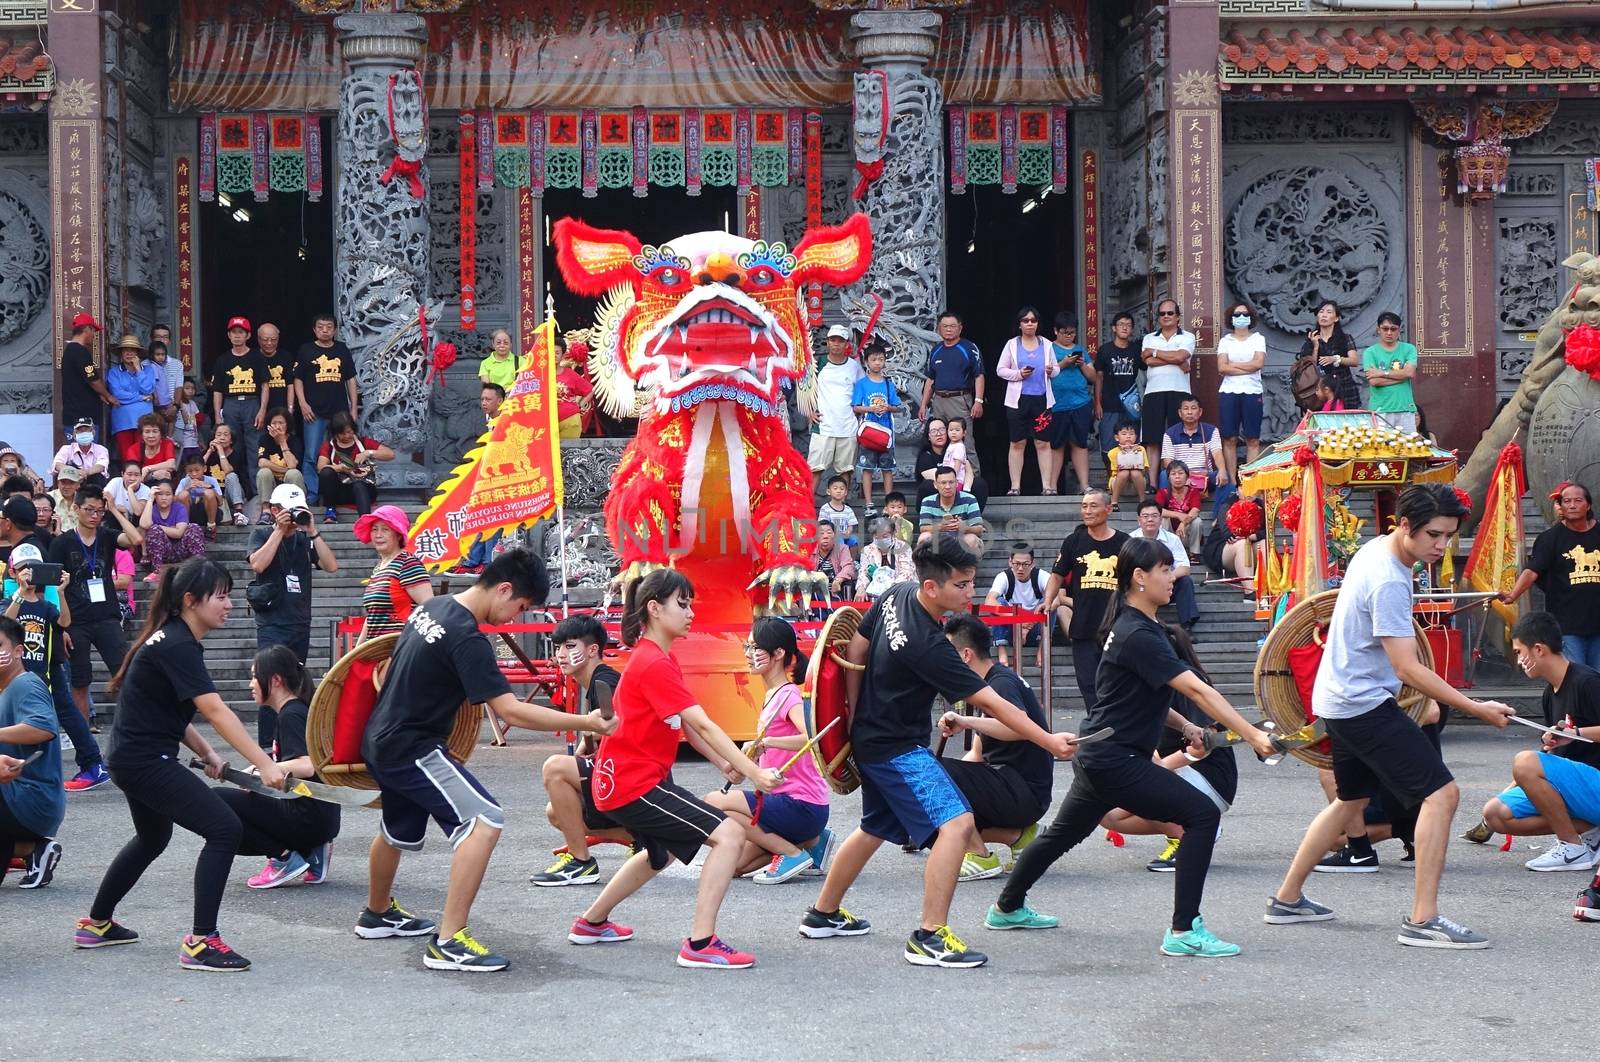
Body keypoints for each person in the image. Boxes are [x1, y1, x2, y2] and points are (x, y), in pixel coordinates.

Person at [800, 536, 1077, 968]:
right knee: (958, 823)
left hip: (874, 738)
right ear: (933, 587)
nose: (971, 592)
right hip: (897, 748)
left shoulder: (897, 593)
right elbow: (992, 702)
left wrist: (853, 714)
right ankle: (929, 936)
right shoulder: (929, 645)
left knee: (874, 826)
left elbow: (857, 643)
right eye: (963, 585)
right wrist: (1048, 739)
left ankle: (823, 914)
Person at [990, 537, 1275, 953]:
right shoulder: (1136, 632)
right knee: (1200, 815)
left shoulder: (1136, 626)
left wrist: (1186, 728)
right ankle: (1184, 931)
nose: (1172, 577)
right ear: (1140, 577)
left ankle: (1007, 907)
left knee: (1060, 836)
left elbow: (1143, 698)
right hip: (1114, 758)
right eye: (1164, 570)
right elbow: (1195, 689)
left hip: (1102, 754)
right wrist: (1253, 735)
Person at [1267, 485, 1515, 948]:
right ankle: (1423, 920)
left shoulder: (1378, 549)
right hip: (1360, 704)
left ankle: (1286, 898)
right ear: (1404, 526)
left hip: (1339, 698)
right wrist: (1476, 707)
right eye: (1433, 535)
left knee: (1350, 801)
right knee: (1442, 794)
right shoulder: (1389, 578)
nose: (1440, 547)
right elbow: (1406, 667)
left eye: (1448, 536)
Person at [359, 549, 615, 972]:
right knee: (484, 820)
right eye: (521, 606)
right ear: (505, 589)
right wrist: (586, 720)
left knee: (396, 829)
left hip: (381, 737)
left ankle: (377, 913)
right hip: (412, 747)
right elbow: (511, 710)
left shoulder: (433, 608)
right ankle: (449, 941)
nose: (515, 614)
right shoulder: (466, 635)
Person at [76, 559, 284, 971]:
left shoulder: (172, 639)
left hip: (134, 757)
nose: (228, 604)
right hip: (144, 760)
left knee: (152, 838)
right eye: (220, 596)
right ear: (191, 600)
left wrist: (207, 753)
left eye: (229, 595)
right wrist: (264, 764)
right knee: (224, 828)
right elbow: (215, 709)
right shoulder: (177, 643)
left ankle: (95, 924)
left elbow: (175, 708)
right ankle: (202, 941)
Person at [569, 569, 778, 969]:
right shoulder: (654, 663)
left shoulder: (657, 658)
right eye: (681, 604)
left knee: (658, 854)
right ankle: (701, 944)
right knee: (730, 834)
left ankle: (590, 923)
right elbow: (702, 723)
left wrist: (722, 762)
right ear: (654, 608)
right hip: (634, 784)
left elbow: (680, 723)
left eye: (690, 604)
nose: (690, 612)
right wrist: (754, 772)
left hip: (622, 782)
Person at [702, 617, 834, 884]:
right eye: (747, 648)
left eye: (755, 648)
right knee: (735, 867)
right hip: (791, 807)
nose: (749, 655)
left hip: (800, 804)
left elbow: (812, 737)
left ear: (778, 653)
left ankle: (791, 851)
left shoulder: (788, 696)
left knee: (712, 803)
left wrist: (767, 742)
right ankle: (813, 841)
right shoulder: (772, 694)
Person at [1100, 624, 1240, 872]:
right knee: (1108, 813)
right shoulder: (1152, 682)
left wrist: (1158, 768)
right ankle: (1195, 827)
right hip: (1181, 775)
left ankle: (1187, 837)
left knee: (1136, 775)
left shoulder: (1186, 681)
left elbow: (1204, 745)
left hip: (1211, 779)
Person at [1479, 612, 1600, 871]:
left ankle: (1573, 848)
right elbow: (1548, 757)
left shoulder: (1587, 682)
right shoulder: (1549, 693)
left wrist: (1575, 733)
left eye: (1520, 651)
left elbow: (1537, 761)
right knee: (1495, 813)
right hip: (1576, 787)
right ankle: (1592, 830)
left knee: (1525, 761)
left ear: (1538, 649)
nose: (1519, 660)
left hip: (1594, 783)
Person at [937, 615, 1052, 881]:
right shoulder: (989, 682)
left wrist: (965, 721)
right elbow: (976, 755)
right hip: (1015, 786)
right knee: (938, 787)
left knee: (932, 771)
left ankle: (980, 856)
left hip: (1023, 790)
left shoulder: (1000, 683)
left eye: (947, 654)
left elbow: (1018, 726)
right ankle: (1022, 836)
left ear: (965, 655)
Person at [532, 614, 631, 886]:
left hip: (635, 778)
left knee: (555, 767)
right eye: (558, 647)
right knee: (557, 811)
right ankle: (639, 839)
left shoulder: (605, 680)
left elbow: (619, 728)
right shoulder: (594, 682)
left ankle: (581, 862)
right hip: (623, 775)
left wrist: (592, 740)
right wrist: (589, 742)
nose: (561, 654)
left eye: (570, 646)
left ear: (593, 649)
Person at [231, 646, 340, 890]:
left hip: (308, 818)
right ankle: (311, 852)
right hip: (321, 818)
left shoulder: (291, 715)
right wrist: (257, 768)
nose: (251, 684)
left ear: (275, 680)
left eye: (254, 676)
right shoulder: (296, 710)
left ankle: (283, 858)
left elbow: (307, 764)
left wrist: (262, 769)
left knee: (218, 802)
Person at [5, 545, 106, 794]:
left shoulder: (45, 604)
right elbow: (5, 624)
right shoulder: (10, 601)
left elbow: (64, 622)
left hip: (47, 671)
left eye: (34, 568)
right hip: (18, 674)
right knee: (26, 721)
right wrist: (20, 593)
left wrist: (61, 592)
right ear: (12, 572)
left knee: (63, 715)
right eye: (22, 568)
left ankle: (93, 764)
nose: (28, 573)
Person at [247, 483, 335, 746]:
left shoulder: (303, 539)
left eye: (300, 511)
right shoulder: (262, 533)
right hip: (273, 622)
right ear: (274, 510)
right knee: (269, 682)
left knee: (295, 684)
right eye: (290, 511)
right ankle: (266, 744)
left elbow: (331, 566)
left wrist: (313, 531)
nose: (295, 517)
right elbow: (258, 563)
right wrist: (278, 530)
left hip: (299, 622)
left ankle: (292, 741)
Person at [48, 486, 142, 732]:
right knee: (79, 679)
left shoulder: (108, 536)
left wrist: (114, 511)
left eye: (99, 511)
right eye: (89, 510)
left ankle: (133, 724)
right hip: (76, 621)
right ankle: (84, 728)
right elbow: (52, 586)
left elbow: (136, 539)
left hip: (107, 617)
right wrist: (61, 626)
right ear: (76, 509)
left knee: (125, 672)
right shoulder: (62, 543)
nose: (94, 515)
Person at [1044, 488, 1129, 711]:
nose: (1087, 511)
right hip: (1083, 627)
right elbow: (1056, 575)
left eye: (1093, 506)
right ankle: (1099, 727)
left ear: (1108, 509)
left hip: (1116, 626)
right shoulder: (1073, 541)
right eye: (1084, 506)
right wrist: (1047, 600)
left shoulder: (1124, 542)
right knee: (1088, 685)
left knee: (1116, 682)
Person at [1500, 482, 1600, 670]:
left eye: (1578, 500)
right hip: (1568, 625)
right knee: (1575, 677)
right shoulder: (1550, 539)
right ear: (1560, 507)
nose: (1572, 505)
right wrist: (1513, 594)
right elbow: (1532, 571)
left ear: (1588, 505)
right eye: (1567, 501)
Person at [0, 615, 64, 889]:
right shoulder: (6, 688)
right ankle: (30, 850)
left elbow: (43, 728)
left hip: (30, 799)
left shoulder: (25, 684)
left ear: (17, 651)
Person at [294, 313, 358, 504]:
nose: (325, 330)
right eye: (320, 327)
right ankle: (313, 494)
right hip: (313, 413)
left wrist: (353, 408)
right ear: (314, 330)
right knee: (312, 455)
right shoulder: (306, 350)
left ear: (335, 330)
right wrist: (303, 404)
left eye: (329, 327)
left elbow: (350, 380)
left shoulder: (341, 350)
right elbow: (297, 379)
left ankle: (337, 494)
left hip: (339, 413)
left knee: (340, 454)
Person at [996, 306, 1059, 496]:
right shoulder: (1012, 344)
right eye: (1026, 320)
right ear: (1020, 324)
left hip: (1042, 400)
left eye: (1033, 320)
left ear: (1038, 323)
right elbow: (1000, 369)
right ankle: (1015, 486)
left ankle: (1047, 486)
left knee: (1043, 443)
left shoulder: (1046, 344)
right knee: (1017, 443)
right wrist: (1018, 374)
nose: (1030, 323)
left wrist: (1051, 371)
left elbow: (1056, 369)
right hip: (1018, 400)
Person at [356, 505, 431, 642]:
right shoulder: (379, 568)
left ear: (398, 534)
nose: (378, 535)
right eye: (374, 529)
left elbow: (430, 610)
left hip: (402, 651)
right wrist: (356, 653)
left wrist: (400, 651)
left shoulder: (408, 564)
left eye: (385, 529)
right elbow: (372, 616)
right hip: (377, 650)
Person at [1140, 299, 1194, 472]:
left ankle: (1178, 477)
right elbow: (1149, 361)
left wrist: (1155, 352)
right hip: (1153, 391)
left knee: (1178, 436)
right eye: (1162, 314)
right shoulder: (1149, 337)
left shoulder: (1188, 337)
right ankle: (1154, 484)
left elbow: (1180, 356)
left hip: (1179, 391)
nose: (1166, 316)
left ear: (1178, 317)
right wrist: (1176, 360)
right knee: (1153, 438)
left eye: (1170, 313)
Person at [1160, 395, 1232, 526]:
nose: (1189, 412)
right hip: (1181, 475)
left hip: (1205, 476)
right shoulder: (1170, 433)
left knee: (1226, 478)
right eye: (1186, 409)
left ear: (1200, 412)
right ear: (1180, 413)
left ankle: (1217, 518)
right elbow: (1168, 462)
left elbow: (1217, 453)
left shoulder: (1211, 430)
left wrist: (1221, 470)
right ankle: (1167, 514)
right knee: (1164, 475)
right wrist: (1184, 475)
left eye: (1193, 408)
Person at [808, 325, 863, 495]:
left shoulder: (854, 366)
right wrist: (809, 411)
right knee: (815, 469)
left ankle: (842, 509)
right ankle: (807, 509)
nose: (836, 344)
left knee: (845, 471)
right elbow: (806, 389)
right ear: (827, 342)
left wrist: (859, 412)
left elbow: (862, 391)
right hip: (823, 425)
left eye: (840, 341)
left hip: (848, 426)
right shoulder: (818, 364)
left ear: (846, 344)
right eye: (833, 340)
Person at [1216, 302, 1266, 482]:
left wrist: (1233, 366)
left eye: (1244, 314)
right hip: (1229, 391)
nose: (1241, 317)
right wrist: (1247, 367)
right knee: (1230, 438)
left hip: (1252, 391)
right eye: (1237, 314)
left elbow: (1258, 364)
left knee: (1253, 438)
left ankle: (1250, 479)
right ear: (1231, 318)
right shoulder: (1225, 341)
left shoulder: (1258, 338)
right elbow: (1221, 367)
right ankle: (1230, 480)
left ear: (1251, 317)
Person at [1047, 313, 1096, 495]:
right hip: (1056, 404)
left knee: (1079, 443)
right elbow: (1045, 373)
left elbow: (1092, 377)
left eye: (1072, 333)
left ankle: (1084, 485)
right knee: (1056, 444)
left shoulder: (1081, 350)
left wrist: (1082, 364)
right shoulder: (1048, 349)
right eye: (1065, 332)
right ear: (1056, 331)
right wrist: (1064, 363)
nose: (1069, 336)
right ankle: (1051, 486)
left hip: (1080, 402)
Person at [208, 317, 265, 469]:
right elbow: (217, 390)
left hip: (252, 402)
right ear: (229, 335)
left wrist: (262, 410)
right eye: (234, 332)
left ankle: (256, 490)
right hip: (230, 404)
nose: (237, 335)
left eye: (241, 332)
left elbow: (265, 385)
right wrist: (217, 415)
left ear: (248, 335)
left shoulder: (257, 357)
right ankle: (235, 486)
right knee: (231, 446)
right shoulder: (222, 360)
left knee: (254, 446)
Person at [315, 412, 393, 521]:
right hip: (340, 491)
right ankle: (331, 511)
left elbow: (390, 454)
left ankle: (365, 521)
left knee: (359, 485)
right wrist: (340, 468)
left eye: (349, 432)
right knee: (326, 472)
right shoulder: (329, 446)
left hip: (364, 489)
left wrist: (368, 453)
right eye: (342, 433)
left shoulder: (364, 442)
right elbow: (321, 468)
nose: (347, 436)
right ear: (335, 433)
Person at [1135, 499, 1200, 630]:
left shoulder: (1172, 539)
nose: (1150, 520)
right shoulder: (1130, 539)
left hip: (1167, 586)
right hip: (1142, 587)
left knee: (1185, 581)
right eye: (1145, 516)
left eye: (1154, 516)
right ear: (1139, 520)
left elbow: (1185, 567)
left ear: (1160, 520)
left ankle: (1186, 627)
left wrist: (1165, 578)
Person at [851, 342, 902, 507]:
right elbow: (856, 407)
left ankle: (890, 504)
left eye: (881, 359)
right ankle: (868, 504)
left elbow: (896, 406)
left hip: (886, 433)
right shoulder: (862, 384)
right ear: (866, 362)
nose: (877, 363)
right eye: (874, 359)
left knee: (887, 469)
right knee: (867, 468)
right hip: (869, 433)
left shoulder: (888, 384)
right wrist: (871, 408)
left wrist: (888, 407)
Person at [983, 543, 1046, 670]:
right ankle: (1002, 650)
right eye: (1017, 564)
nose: (1020, 568)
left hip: (1035, 628)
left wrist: (1029, 624)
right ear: (1010, 562)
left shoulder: (1042, 576)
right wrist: (1017, 620)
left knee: (1048, 601)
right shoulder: (1004, 577)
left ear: (1033, 563)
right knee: (998, 601)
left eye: (1025, 564)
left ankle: (1042, 649)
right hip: (1010, 629)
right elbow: (989, 602)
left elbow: (1056, 600)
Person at [917, 311, 985, 425]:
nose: (948, 329)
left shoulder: (969, 348)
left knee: (962, 438)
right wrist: (923, 405)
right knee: (939, 436)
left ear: (960, 328)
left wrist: (978, 401)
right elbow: (931, 379)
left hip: (959, 399)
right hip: (938, 400)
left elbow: (979, 375)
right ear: (939, 329)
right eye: (945, 326)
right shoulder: (935, 350)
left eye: (953, 326)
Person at [1361, 311, 1419, 433]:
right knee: (1381, 450)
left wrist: (1382, 373)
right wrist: (1401, 376)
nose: (1389, 332)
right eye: (1385, 328)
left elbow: (1409, 373)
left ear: (1399, 330)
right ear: (1378, 330)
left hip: (1405, 407)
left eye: (1393, 329)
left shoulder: (1409, 349)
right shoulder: (1370, 352)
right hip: (1380, 409)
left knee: (1408, 450)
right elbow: (1374, 381)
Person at [1296, 299, 1361, 409]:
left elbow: (1354, 361)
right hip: (1321, 390)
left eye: (1329, 312)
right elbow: (1307, 367)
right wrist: (1315, 346)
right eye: (1321, 312)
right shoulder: (1311, 340)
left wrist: (1336, 359)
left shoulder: (1345, 338)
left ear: (1336, 318)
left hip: (1344, 387)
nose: (1324, 315)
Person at [138, 478, 206, 581]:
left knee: (194, 528)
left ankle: (198, 569)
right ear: (155, 495)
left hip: (181, 549)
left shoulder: (179, 508)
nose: (164, 497)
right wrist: (150, 499)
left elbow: (179, 532)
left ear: (173, 496)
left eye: (168, 494)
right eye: (160, 494)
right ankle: (157, 571)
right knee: (154, 530)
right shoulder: (151, 508)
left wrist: (158, 526)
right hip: (162, 552)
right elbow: (144, 524)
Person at [1093, 311, 1141, 456]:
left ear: (1132, 329)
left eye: (1128, 325)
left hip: (1131, 406)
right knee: (1109, 447)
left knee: (1132, 446)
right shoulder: (1105, 350)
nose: (1125, 328)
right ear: (1114, 328)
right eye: (1121, 324)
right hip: (1109, 405)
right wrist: (1097, 403)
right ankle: (1112, 478)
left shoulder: (1137, 350)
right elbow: (1099, 378)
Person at [106, 336, 159, 461]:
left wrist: (139, 369)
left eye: (133, 350)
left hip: (145, 420)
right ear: (121, 353)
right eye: (125, 350)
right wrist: (141, 397)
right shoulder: (114, 372)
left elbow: (148, 389)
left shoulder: (148, 370)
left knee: (145, 455)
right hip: (123, 421)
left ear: (138, 353)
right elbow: (118, 394)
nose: (129, 353)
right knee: (127, 457)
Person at [60, 312, 111, 439]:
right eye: (94, 331)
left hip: (71, 414)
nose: (94, 336)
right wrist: (108, 395)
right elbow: (93, 380)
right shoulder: (80, 352)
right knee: (88, 456)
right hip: (84, 418)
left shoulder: (68, 352)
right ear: (87, 329)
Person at [917, 467, 984, 553]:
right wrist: (941, 527)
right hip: (939, 540)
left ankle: (967, 566)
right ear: (935, 485)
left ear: (956, 483)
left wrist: (965, 528)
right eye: (943, 483)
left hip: (962, 538)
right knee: (924, 537)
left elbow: (979, 530)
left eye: (951, 482)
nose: (947, 487)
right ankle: (930, 566)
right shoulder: (927, 501)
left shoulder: (969, 499)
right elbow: (923, 528)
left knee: (971, 539)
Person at [254, 406, 305, 519]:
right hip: (272, 483)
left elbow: (292, 465)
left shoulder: (295, 440)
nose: (277, 426)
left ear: (287, 425)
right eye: (274, 423)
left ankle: (296, 509)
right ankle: (266, 511)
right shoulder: (264, 439)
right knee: (264, 472)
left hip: (290, 483)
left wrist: (282, 442)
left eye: (281, 423)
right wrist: (284, 470)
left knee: (294, 473)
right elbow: (262, 462)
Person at [858, 517, 916, 599]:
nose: (881, 540)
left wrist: (890, 590)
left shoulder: (903, 547)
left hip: (901, 591)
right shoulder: (867, 550)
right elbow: (864, 572)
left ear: (893, 534)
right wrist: (861, 587)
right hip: (875, 592)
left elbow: (906, 573)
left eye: (885, 536)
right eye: (877, 537)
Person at [202, 424, 248, 526]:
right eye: (218, 435)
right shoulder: (208, 454)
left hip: (232, 494)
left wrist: (220, 451)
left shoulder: (236, 455)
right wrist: (209, 451)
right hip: (215, 495)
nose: (222, 437)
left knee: (231, 476)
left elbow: (228, 471)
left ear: (231, 440)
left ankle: (239, 513)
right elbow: (197, 470)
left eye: (226, 435)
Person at [1155, 460, 1205, 555]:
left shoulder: (1193, 491)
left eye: (1181, 473)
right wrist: (1178, 515)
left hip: (1186, 534)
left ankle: (1194, 553)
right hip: (1170, 534)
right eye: (1173, 474)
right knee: (1163, 519)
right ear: (1168, 478)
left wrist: (1183, 523)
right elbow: (1156, 510)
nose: (1177, 477)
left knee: (1197, 521)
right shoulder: (1163, 492)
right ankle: (1165, 552)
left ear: (1187, 476)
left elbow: (1195, 510)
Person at [256, 323, 296, 426]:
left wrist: (290, 409)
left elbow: (290, 385)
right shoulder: (254, 357)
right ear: (258, 339)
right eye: (265, 340)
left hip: (281, 409)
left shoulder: (286, 356)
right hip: (259, 411)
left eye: (274, 340)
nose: (269, 343)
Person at [943, 418, 988, 509]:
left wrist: (952, 477)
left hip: (957, 480)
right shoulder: (951, 445)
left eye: (957, 430)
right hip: (949, 479)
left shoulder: (959, 446)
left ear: (964, 433)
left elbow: (957, 464)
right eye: (951, 430)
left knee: (955, 503)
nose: (953, 432)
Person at [556, 336, 594, 441]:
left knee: (568, 455)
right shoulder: (540, 375)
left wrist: (580, 404)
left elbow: (590, 390)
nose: (554, 355)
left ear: (563, 355)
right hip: (547, 423)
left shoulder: (569, 374)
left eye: (557, 352)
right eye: (551, 352)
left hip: (570, 421)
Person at [52, 419, 111, 485]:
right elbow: (57, 464)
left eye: (86, 430)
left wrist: (86, 472)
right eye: (80, 431)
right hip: (72, 484)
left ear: (93, 432)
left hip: (94, 486)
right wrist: (75, 472)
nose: (83, 433)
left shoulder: (101, 449)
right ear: (74, 434)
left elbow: (101, 466)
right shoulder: (66, 449)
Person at [1106, 420, 1148, 508]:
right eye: (1124, 434)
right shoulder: (1112, 452)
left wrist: (1135, 454)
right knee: (1124, 472)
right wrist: (1125, 453)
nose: (1128, 436)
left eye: (1131, 434)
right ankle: (1114, 501)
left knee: (1135, 473)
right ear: (1117, 437)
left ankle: (1142, 500)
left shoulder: (1141, 449)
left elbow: (1144, 470)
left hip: (1136, 484)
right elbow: (1117, 471)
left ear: (1136, 437)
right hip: (1119, 484)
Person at [810, 521, 856, 602]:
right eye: (821, 533)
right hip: (816, 593)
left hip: (836, 591)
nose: (825, 536)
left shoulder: (842, 548)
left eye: (829, 533)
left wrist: (838, 580)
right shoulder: (810, 551)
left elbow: (848, 567)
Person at [178, 457, 222, 538]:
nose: (194, 474)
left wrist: (209, 487)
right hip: (191, 513)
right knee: (183, 494)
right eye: (190, 471)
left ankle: (211, 527)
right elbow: (175, 500)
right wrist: (186, 488)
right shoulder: (184, 481)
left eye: (197, 470)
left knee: (208, 492)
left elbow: (220, 502)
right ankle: (185, 526)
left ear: (204, 468)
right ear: (186, 471)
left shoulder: (211, 480)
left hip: (208, 513)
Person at [913, 418, 951, 504]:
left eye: (942, 430)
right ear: (928, 436)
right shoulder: (925, 456)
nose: (939, 434)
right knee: (929, 484)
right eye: (934, 431)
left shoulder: (956, 450)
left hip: (955, 490)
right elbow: (941, 481)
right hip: (933, 501)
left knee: (978, 483)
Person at [134, 415, 179, 483]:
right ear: (142, 434)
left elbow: (171, 465)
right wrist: (153, 475)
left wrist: (147, 469)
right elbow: (133, 477)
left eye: (155, 431)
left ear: (161, 433)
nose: (151, 436)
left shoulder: (167, 443)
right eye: (147, 432)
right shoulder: (134, 449)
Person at [817, 474, 859, 547]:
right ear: (828, 491)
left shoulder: (848, 509)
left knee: (854, 540)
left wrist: (848, 531)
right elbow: (823, 525)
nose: (838, 491)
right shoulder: (825, 508)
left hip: (844, 535)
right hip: (830, 536)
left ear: (846, 492)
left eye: (842, 489)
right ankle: (838, 558)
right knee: (839, 540)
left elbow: (850, 525)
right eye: (835, 488)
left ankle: (850, 558)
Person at [476, 328, 521, 392]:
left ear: (511, 344)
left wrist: (510, 390)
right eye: (498, 343)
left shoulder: (520, 361)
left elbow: (525, 382)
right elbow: (487, 385)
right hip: (495, 398)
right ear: (493, 344)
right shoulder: (485, 363)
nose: (502, 345)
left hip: (514, 398)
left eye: (506, 343)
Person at [176, 380, 203, 466]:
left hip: (194, 442)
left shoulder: (193, 403)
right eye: (187, 388)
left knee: (196, 464)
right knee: (186, 465)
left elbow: (195, 422)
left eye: (193, 388)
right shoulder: (179, 404)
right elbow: (186, 420)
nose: (190, 391)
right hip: (184, 443)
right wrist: (181, 405)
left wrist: (199, 440)